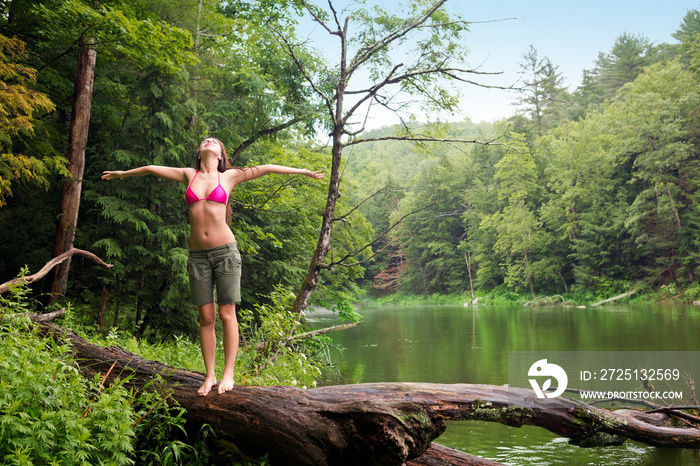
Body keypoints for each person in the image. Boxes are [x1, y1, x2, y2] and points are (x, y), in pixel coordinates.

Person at [102, 137, 324, 395]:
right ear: (199, 153)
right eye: (205, 141)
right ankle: (209, 375)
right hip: (197, 256)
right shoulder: (188, 175)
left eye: (215, 142)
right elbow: (152, 168)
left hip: (225, 252)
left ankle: (228, 373)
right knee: (205, 318)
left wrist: (302, 171)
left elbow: (267, 168)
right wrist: (122, 174)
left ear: (220, 155)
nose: (209, 141)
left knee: (227, 314)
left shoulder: (229, 177)